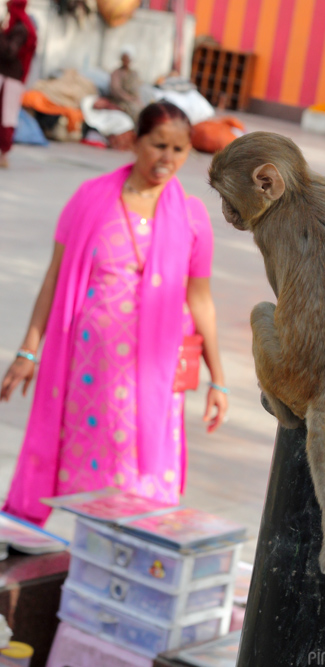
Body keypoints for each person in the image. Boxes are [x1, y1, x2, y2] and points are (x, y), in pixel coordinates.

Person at [0, 101, 228, 526]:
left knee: (137, 481)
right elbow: (54, 279)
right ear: (135, 142)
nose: (167, 159)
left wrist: (218, 379)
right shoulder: (91, 200)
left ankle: (122, 555)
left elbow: (200, 300)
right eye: (158, 145)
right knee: (84, 465)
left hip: (153, 375)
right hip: (88, 369)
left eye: (179, 150)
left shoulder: (192, 217)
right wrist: (29, 351)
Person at [0, 0, 37, 167]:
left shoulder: (21, 29)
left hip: (11, 80)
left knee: (7, 117)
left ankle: (3, 154)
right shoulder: (18, 26)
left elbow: (9, 52)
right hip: (8, 78)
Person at [108, 45, 142, 122]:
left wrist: (136, 99)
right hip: (121, 101)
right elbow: (116, 90)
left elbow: (136, 90)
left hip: (133, 100)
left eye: (128, 58)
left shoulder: (134, 73)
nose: (126, 60)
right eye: (124, 58)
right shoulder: (116, 73)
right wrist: (128, 98)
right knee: (134, 111)